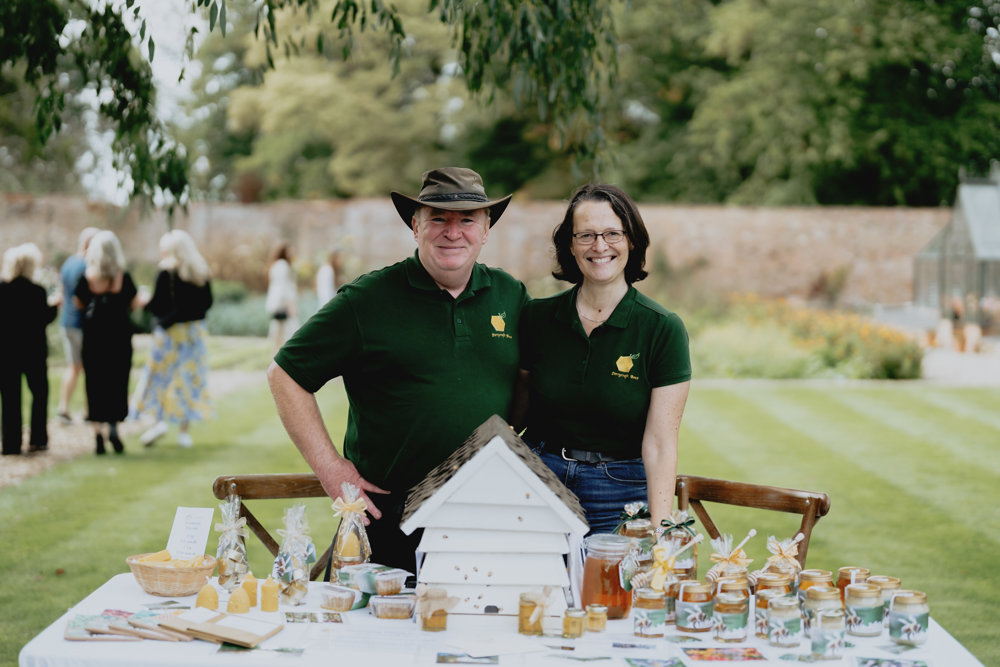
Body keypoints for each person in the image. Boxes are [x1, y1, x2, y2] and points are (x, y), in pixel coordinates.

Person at [267, 167, 528, 572]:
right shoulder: (367, 300)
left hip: (483, 519)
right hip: (387, 523)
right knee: (371, 635)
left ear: (487, 228)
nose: (452, 232)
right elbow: (285, 374)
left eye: (467, 220)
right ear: (415, 226)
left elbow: (531, 380)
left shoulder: (511, 296)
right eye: (437, 218)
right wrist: (331, 468)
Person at [515, 184, 691, 537]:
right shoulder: (536, 318)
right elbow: (513, 413)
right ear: (569, 244)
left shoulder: (662, 328)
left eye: (613, 233)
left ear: (632, 241)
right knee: (534, 590)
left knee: (611, 591)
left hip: (620, 491)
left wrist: (660, 532)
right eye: (586, 235)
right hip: (539, 482)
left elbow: (660, 443)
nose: (600, 246)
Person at [133, 229, 214, 448]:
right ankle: (184, 432)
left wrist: (143, 302)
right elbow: (207, 303)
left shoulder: (166, 272)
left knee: (161, 378)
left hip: (169, 334)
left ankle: (159, 421)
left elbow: (157, 305)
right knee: (185, 381)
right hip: (193, 335)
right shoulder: (200, 271)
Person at [74, 230, 144, 455]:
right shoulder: (123, 277)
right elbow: (133, 304)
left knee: (94, 383)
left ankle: (97, 433)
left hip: (94, 338)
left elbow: (79, 304)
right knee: (116, 381)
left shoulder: (86, 277)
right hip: (119, 337)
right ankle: (113, 426)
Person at [0, 244, 60, 455]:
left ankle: (11, 443)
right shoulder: (37, 292)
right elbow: (44, 318)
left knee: (10, 398)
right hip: (33, 351)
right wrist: (54, 307)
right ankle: (38, 438)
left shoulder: (3, 290)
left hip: (6, 352)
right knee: (39, 393)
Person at [56, 227, 99, 424]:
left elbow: (62, 293)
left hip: (67, 322)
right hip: (82, 323)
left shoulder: (67, 264)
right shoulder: (87, 267)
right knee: (88, 367)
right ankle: (90, 410)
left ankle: (63, 408)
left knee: (73, 366)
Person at [265, 242, 298, 353]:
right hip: (282, 305)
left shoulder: (276, 265)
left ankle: (275, 360)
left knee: (278, 337)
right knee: (285, 336)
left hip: (276, 304)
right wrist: (289, 305)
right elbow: (283, 287)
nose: (292, 254)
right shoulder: (283, 265)